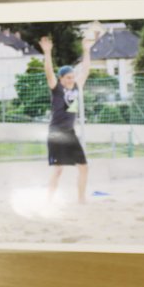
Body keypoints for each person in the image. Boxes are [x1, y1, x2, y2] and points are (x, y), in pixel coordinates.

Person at [41, 33, 93, 204]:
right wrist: (47, 52)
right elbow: (49, 72)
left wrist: (86, 50)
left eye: (73, 77)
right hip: (56, 133)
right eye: (68, 77)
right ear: (61, 79)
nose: (72, 80)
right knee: (58, 170)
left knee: (84, 167)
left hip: (70, 133)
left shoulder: (77, 87)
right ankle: (48, 201)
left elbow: (86, 70)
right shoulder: (56, 88)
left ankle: (81, 199)